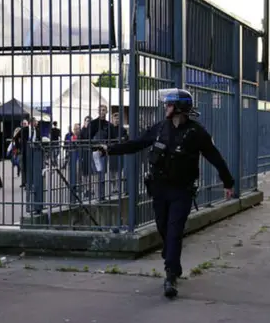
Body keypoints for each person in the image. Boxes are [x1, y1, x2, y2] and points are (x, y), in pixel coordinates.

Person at [97, 88, 234, 299]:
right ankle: (171, 259)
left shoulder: (197, 133)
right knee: (163, 227)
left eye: (169, 105)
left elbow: (215, 157)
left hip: (182, 190)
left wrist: (228, 182)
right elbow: (138, 143)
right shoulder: (160, 128)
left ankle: (170, 276)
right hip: (159, 189)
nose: (165, 108)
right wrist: (109, 150)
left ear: (179, 108)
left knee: (174, 231)